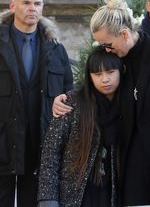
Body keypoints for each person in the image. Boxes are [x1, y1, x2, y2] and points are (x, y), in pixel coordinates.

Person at [53, 0, 150, 205]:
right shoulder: (118, 60)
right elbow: (96, 87)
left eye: (108, 45)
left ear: (124, 34)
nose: (106, 50)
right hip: (132, 162)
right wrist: (66, 98)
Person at [0, 0, 73, 207]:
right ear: (13, 6)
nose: (32, 8)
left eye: (37, 4)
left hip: (40, 142)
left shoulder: (55, 48)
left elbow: (69, 90)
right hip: (3, 140)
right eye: (26, 3)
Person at [38, 47, 123, 207]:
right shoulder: (72, 102)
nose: (105, 79)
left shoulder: (128, 104)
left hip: (114, 191)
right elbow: (51, 151)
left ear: (120, 71)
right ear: (89, 76)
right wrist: (47, 198)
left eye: (110, 72)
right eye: (97, 74)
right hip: (75, 191)